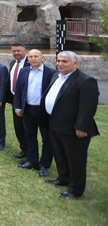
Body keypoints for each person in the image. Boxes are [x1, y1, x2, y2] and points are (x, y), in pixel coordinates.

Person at [40, 51, 100, 199]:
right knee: (60, 155)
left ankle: (75, 190)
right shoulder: (56, 76)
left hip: (73, 129)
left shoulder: (86, 81)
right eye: (58, 61)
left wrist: (81, 126)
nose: (60, 64)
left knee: (76, 160)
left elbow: (88, 106)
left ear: (75, 63)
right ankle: (63, 179)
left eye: (64, 61)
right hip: (55, 124)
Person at [14, 49, 57, 177]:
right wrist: (18, 106)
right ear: (28, 59)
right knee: (30, 136)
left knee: (46, 138)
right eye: (31, 56)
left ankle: (44, 165)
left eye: (36, 56)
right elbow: (18, 90)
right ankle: (33, 161)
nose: (33, 59)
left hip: (43, 111)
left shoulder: (51, 73)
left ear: (42, 58)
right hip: (28, 109)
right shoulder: (24, 71)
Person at [6, 43, 30, 160]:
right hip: (16, 100)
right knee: (18, 126)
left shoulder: (31, 63)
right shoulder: (13, 63)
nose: (16, 53)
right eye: (14, 51)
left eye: (19, 50)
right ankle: (24, 149)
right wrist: (11, 99)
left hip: (28, 101)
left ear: (25, 51)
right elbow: (11, 81)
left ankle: (30, 153)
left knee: (27, 128)